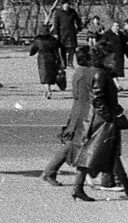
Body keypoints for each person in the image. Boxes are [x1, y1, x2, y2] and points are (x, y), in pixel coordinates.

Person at [68, 45, 128, 201]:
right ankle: (79, 188)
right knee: (95, 153)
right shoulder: (100, 74)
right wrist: (110, 116)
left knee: (105, 153)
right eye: (111, 56)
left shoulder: (96, 71)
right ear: (104, 57)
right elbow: (98, 99)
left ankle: (127, 185)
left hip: (96, 118)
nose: (114, 58)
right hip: (101, 121)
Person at [39, 46, 94, 186]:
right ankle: (50, 172)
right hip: (83, 113)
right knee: (74, 144)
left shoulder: (81, 72)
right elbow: (86, 97)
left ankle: (49, 172)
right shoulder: (86, 73)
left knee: (70, 145)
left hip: (78, 112)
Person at [29, 26, 62, 99]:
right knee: (50, 75)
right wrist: (59, 61)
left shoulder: (38, 40)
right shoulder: (53, 40)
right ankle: (48, 89)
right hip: (52, 59)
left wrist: (31, 53)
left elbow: (33, 50)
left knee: (44, 74)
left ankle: (47, 89)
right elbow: (57, 52)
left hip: (42, 59)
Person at [50, 0, 81, 69]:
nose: (66, 6)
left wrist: (79, 28)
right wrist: (55, 33)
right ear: (62, 5)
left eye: (67, 4)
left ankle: (70, 62)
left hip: (71, 33)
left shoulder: (73, 12)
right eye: (65, 4)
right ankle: (64, 63)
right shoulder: (58, 12)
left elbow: (78, 20)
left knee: (72, 48)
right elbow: (56, 24)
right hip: (62, 33)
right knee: (62, 48)